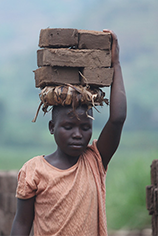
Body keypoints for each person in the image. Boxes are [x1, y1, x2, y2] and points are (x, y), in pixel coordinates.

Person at [10, 30, 126, 236]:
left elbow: (117, 120)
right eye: (68, 127)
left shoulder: (95, 161)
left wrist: (115, 64)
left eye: (85, 127)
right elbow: (21, 224)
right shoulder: (34, 170)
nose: (77, 134)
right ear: (52, 127)